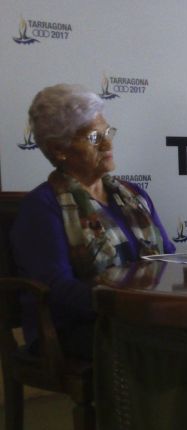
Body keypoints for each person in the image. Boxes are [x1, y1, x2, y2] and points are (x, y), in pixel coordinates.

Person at [11, 84, 175, 359]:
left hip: (143, 317)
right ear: (59, 149)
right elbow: (58, 290)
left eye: (108, 132)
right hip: (77, 327)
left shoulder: (134, 195)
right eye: (94, 137)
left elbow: (168, 257)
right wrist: (132, 306)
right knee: (175, 349)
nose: (108, 144)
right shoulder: (42, 207)